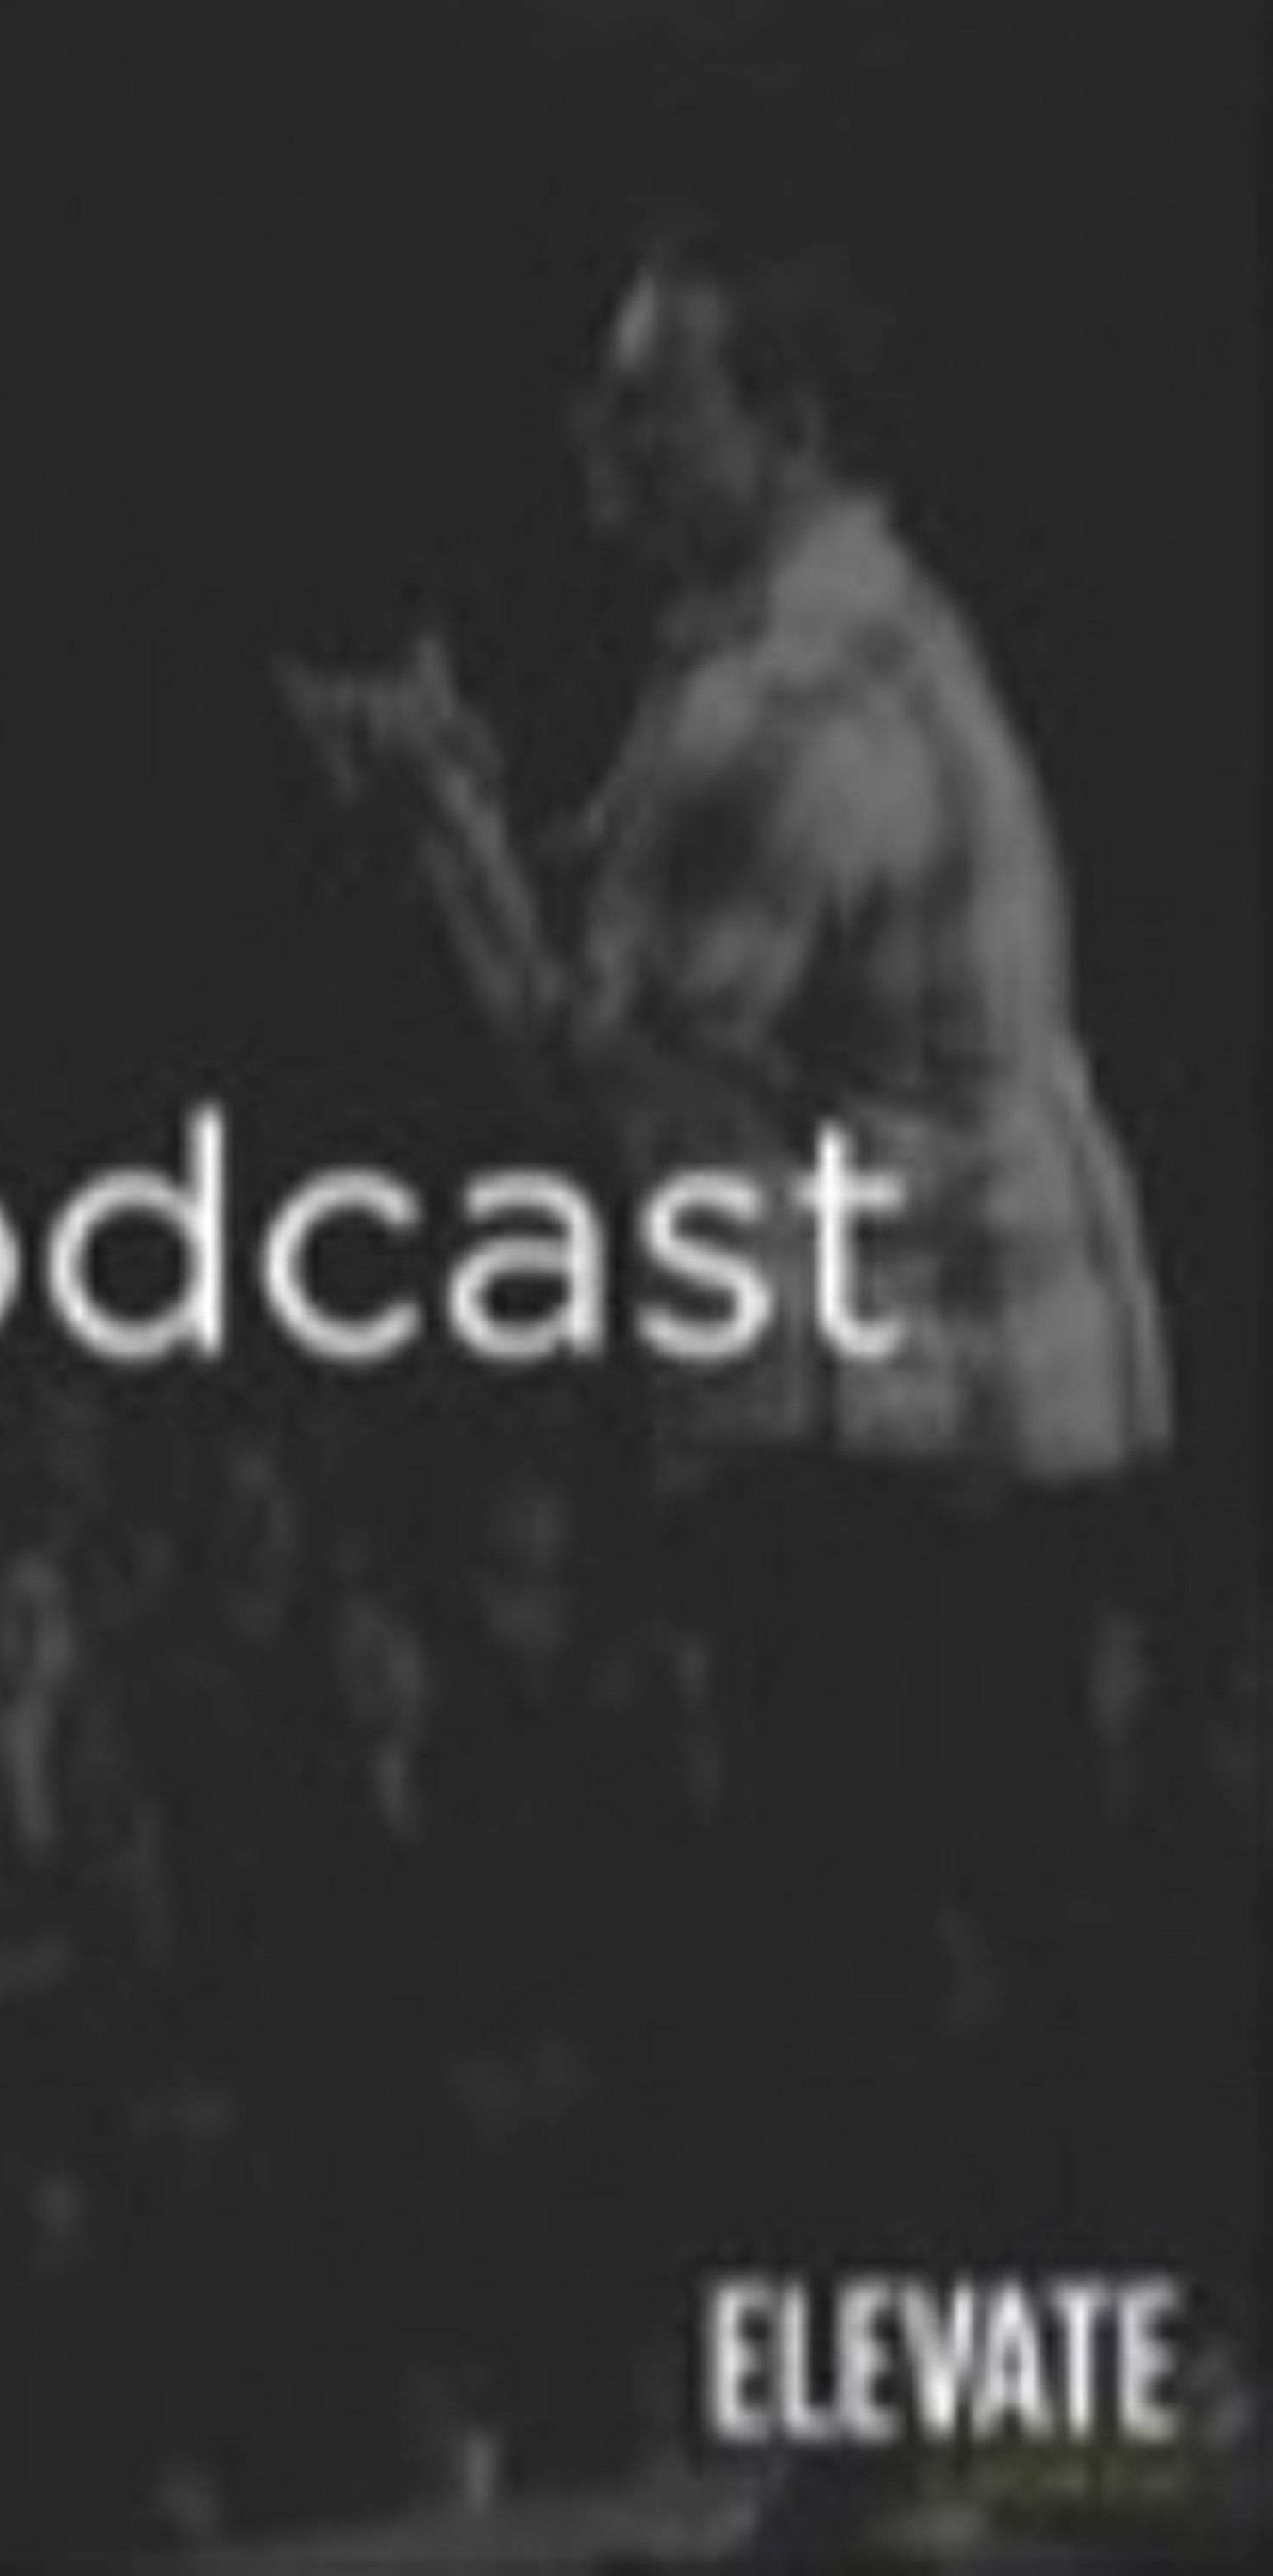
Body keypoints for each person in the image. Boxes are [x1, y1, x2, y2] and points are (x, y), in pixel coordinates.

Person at [283, 214, 1173, 2256]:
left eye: (646, 402)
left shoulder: (777, 707)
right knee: (957, 1950)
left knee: (843, 1968)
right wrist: (476, 795)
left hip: (904, 1428)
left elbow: (580, 1083)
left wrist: (430, 824)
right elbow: (650, 933)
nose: (590, 434)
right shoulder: (838, 626)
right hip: (1001, 1396)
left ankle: (896, 2415)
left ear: (792, 428)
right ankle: (1011, 2381)